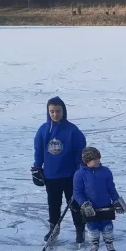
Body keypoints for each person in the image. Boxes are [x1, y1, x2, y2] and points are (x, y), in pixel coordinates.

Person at [32, 97, 86, 243]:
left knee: (75, 204)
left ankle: (80, 230)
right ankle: (53, 229)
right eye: (52, 111)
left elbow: (79, 150)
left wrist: (79, 169)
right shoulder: (43, 130)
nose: (55, 114)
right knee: (53, 205)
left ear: (63, 111)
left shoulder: (72, 130)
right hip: (51, 176)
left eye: (58, 111)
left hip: (70, 175)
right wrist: (37, 167)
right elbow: (39, 151)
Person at [71, 147, 126, 251]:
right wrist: (84, 204)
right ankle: (94, 245)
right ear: (87, 160)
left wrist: (117, 200)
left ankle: (109, 244)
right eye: (94, 159)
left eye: (98, 159)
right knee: (93, 228)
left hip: (105, 206)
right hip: (90, 209)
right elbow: (77, 193)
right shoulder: (79, 174)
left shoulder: (106, 171)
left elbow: (111, 188)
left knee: (107, 227)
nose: (98, 161)